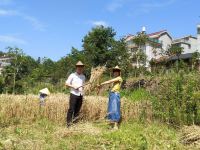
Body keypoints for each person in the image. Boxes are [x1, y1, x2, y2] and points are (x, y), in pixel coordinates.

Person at [98, 66, 123, 130]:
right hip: (112, 95)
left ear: (119, 72)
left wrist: (102, 83)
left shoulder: (119, 78)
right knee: (111, 109)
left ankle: (116, 126)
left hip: (115, 94)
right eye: (114, 71)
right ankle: (111, 125)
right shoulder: (114, 80)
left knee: (115, 109)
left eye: (117, 71)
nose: (115, 72)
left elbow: (110, 81)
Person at [65, 61, 86, 127]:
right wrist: (74, 86)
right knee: (71, 109)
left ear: (82, 68)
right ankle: (68, 124)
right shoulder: (72, 75)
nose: (80, 68)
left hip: (80, 94)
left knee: (77, 110)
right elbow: (66, 83)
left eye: (81, 67)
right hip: (74, 94)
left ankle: (75, 123)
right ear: (76, 68)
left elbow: (83, 85)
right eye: (78, 67)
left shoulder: (83, 76)